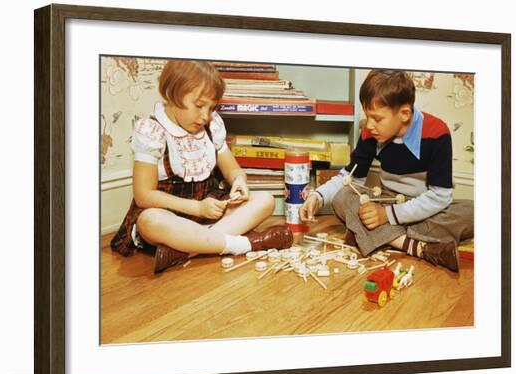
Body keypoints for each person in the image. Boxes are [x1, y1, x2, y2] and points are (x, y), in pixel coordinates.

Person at [111, 60, 293, 273]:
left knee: (265, 200)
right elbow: (144, 195)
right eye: (198, 105)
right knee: (149, 221)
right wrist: (197, 207)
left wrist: (239, 181)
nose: (206, 116)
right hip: (172, 216)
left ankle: (187, 249)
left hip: (210, 216)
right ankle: (245, 244)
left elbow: (232, 169)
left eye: (212, 107)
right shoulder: (152, 131)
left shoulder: (212, 125)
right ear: (172, 94)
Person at [299, 70, 473, 272]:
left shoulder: (437, 133)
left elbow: (439, 197)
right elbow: (350, 179)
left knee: (472, 212)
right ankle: (418, 247)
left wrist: (388, 216)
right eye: (367, 116)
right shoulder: (370, 133)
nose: (369, 125)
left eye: (377, 118)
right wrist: (318, 196)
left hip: (423, 207)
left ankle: (370, 234)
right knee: (342, 197)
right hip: (386, 200)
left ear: (404, 114)